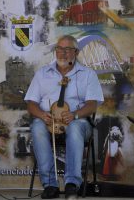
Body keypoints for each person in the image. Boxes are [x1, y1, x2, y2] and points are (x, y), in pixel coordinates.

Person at [25, 35, 104, 199]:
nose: (63, 53)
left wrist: (75, 115)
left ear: (76, 52)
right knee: (37, 127)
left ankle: (72, 184)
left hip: (78, 122)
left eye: (67, 49)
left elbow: (92, 105)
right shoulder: (42, 73)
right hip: (48, 121)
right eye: (59, 49)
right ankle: (50, 185)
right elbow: (31, 103)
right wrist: (41, 115)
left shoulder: (88, 74)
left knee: (75, 127)